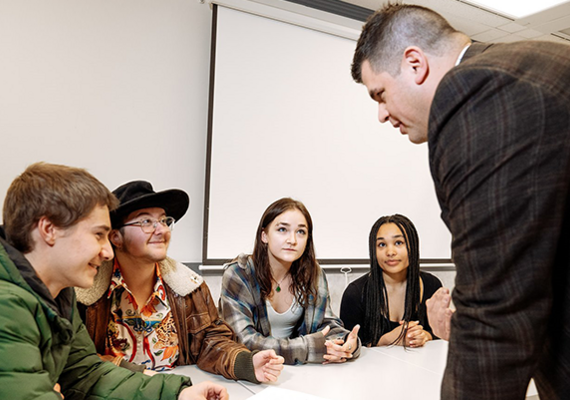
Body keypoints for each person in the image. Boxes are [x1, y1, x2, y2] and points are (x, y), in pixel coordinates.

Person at [351, 3, 570, 400]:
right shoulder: (520, 67)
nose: (381, 115)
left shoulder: (474, 95)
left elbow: (498, 314)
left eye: (380, 94)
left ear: (414, 63)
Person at [0, 162, 227, 400]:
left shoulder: (60, 294)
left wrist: (178, 394)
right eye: (98, 235)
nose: (108, 252)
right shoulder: (7, 304)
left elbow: (87, 374)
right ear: (49, 229)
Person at [76, 180, 284, 383]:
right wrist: (143, 377)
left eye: (165, 221)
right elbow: (79, 361)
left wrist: (247, 363)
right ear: (115, 237)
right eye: (146, 221)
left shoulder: (189, 287)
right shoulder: (84, 293)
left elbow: (210, 342)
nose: (162, 230)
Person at [219, 197, 361, 365]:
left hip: (299, 372)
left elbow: (327, 325)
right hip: (251, 374)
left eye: (300, 232)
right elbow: (244, 341)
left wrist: (346, 343)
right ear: (264, 235)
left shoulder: (313, 274)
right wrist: (308, 349)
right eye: (282, 230)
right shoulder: (239, 274)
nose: (292, 240)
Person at [340, 214, 442, 347]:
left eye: (398, 243)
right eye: (381, 244)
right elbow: (347, 349)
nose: (390, 252)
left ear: (413, 246)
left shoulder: (432, 285)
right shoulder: (355, 293)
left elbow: (440, 335)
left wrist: (425, 336)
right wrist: (386, 341)